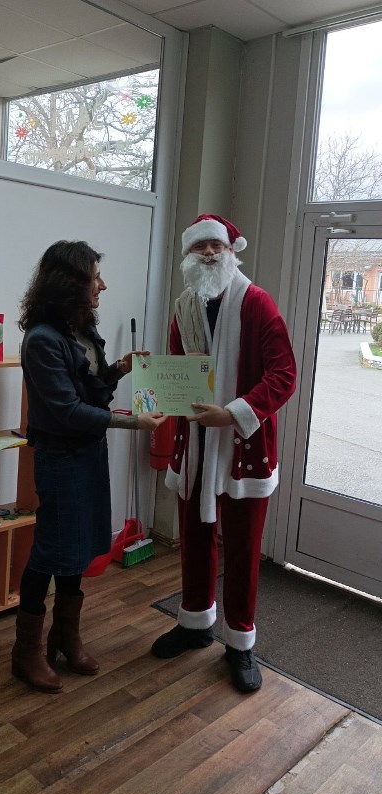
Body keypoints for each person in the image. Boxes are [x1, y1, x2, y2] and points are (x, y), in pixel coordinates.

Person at [151, 214, 296, 692]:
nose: (210, 253)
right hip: (195, 444)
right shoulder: (184, 306)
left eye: (217, 246)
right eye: (200, 247)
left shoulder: (257, 303)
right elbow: (175, 372)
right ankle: (194, 623)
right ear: (189, 256)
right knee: (194, 537)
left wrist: (232, 413)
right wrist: (160, 402)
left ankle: (239, 643)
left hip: (242, 445)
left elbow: (284, 375)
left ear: (232, 251)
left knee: (242, 547)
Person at [12, 240, 165, 693]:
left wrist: (118, 369)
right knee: (50, 552)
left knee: (77, 547)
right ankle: (26, 652)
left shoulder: (79, 329)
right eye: (95, 277)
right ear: (70, 282)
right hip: (60, 458)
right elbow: (66, 410)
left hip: (88, 454)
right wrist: (134, 422)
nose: (103, 285)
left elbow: (90, 388)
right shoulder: (42, 339)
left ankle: (65, 636)